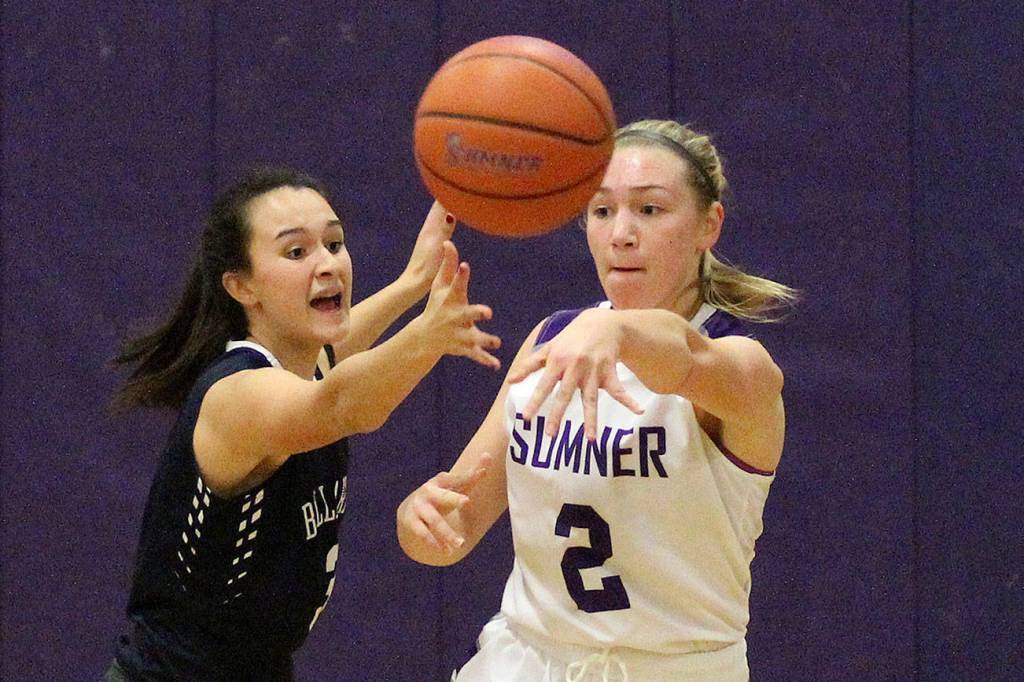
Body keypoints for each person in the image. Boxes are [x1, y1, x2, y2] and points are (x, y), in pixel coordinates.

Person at [397, 119, 798, 681]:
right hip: (526, 661)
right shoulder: (552, 338)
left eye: (650, 210)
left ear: (709, 225)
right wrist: (420, 523)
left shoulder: (740, 366)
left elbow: (684, 356)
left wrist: (618, 330)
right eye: (602, 210)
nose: (621, 234)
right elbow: (456, 524)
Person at [106, 167, 500, 681]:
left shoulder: (300, 364)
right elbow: (342, 406)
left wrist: (413, 282)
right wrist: (427, 336)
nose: (328, 264)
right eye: (296, 252)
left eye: (334, 244)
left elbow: (336, 353)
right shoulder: (238, 397)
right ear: (241, 286)